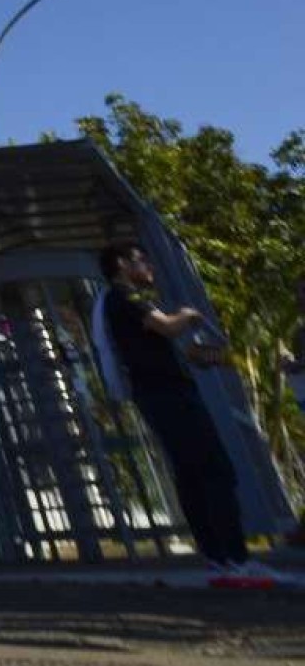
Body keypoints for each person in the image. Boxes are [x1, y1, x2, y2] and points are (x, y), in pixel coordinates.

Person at [94, 243, 277, 588]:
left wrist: (203, 355)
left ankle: (218, 559)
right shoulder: (125, 297)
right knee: (214, 469)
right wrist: (189, 315)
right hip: (168, 394)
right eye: (141, 258)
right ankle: (236, 559)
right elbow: (165, 326)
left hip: (158, 393)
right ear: (121, 264)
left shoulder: (118, 303)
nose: (148, 265)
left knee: (191, 474)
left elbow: (163, 343)